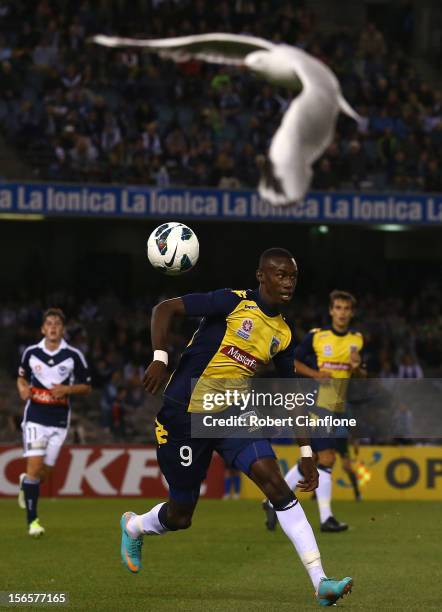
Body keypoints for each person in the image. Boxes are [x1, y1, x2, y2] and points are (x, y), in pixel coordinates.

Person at [120, 249, 353, 606]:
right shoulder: (231, 303)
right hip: (184, 416)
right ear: (261, 276)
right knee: (181, 516)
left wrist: (305, 450)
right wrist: (160, 357)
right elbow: (164, 309)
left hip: (232, 415)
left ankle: (321, 581)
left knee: (276, 484)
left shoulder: (284, 334)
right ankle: (135, 526)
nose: (287, 282)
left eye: (292, 276)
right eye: (279, 275)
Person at [263, 291, 365, 532]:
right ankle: (326, 518)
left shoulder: (357, 340)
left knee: (316, 459)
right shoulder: (317, 338)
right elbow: (291, 362)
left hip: (337, 406)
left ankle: (271, 501)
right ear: (331, 311)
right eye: (338, 307)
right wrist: (316, 374)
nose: (342, 312)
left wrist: (358, 368)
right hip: (316, 403)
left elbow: (361, 375)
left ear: (351, 312)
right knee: (328, 457)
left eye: (346, 308)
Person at [17, 308, 91, 537]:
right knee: (35, 467)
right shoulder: (31, 352)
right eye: (49, 323)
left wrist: (68, 389)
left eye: (57, 324)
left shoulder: (73, 355)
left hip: (59, 420)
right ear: (43, 328)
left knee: (44, 474)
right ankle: (33, 522)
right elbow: (21, 376)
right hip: (35, 418)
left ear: (62, 329)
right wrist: (22, 388)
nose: (52, 327)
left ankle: (26, 484)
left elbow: (87, 386)